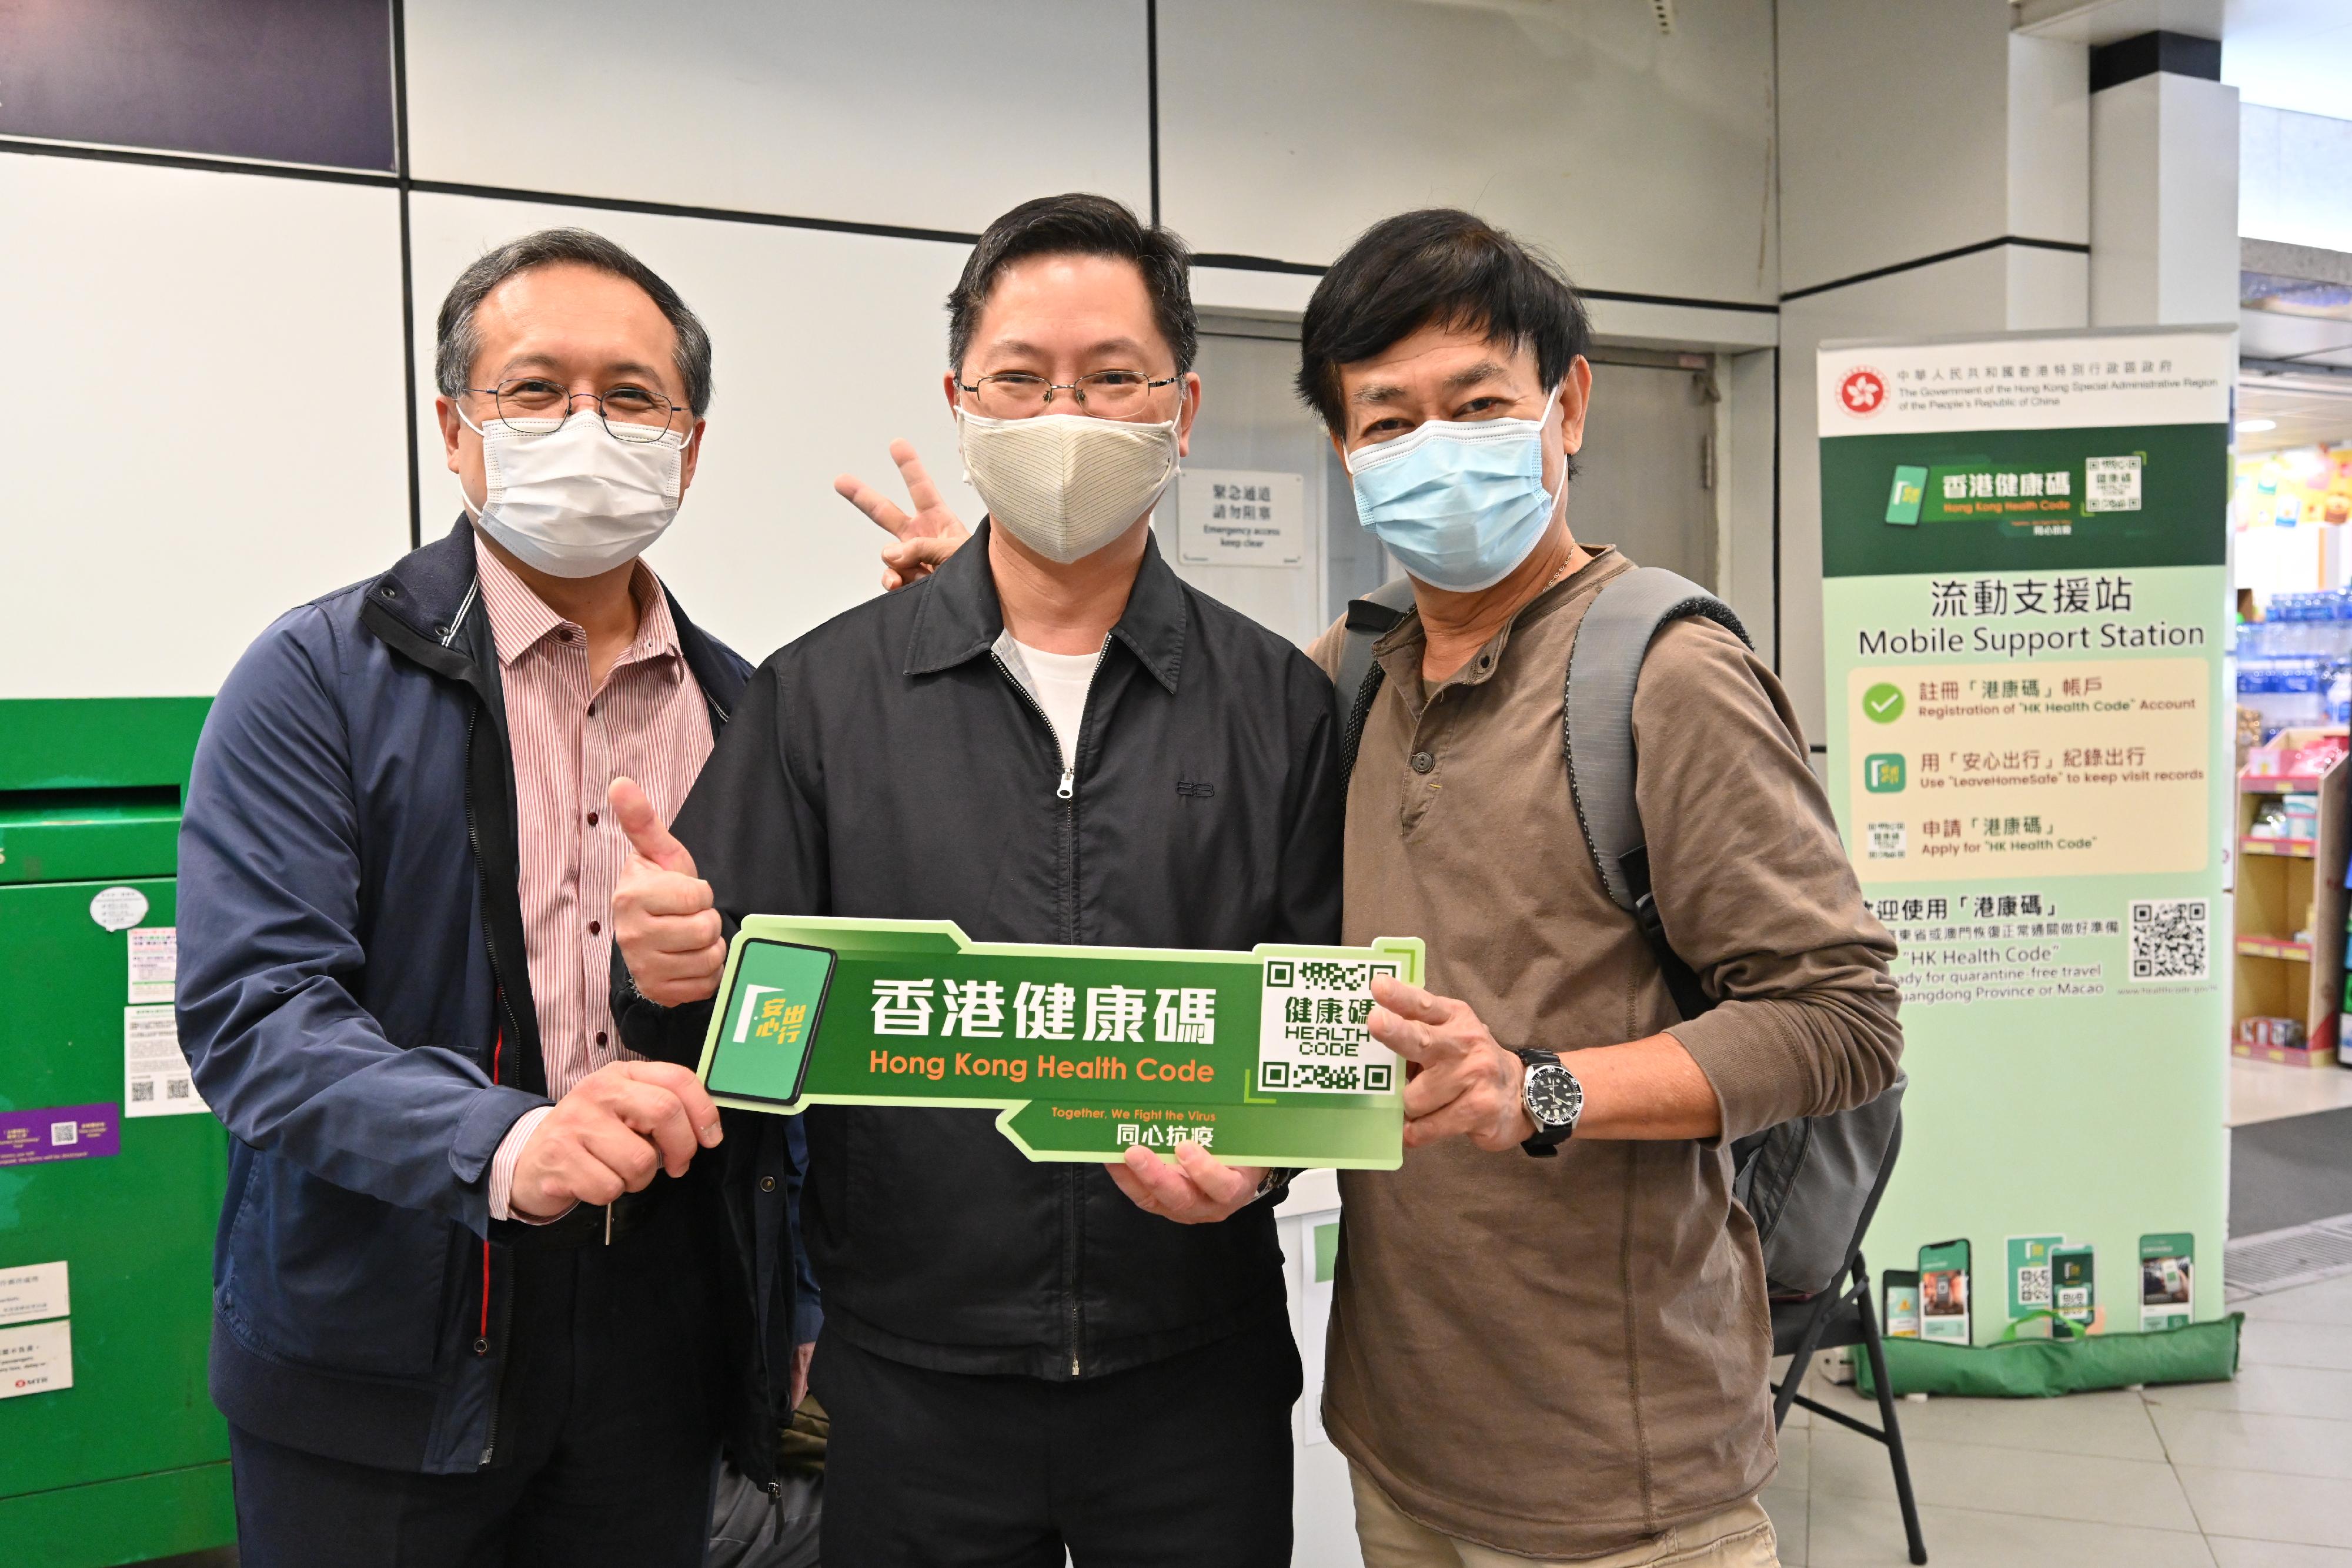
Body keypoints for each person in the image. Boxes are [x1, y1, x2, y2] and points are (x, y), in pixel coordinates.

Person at [872, 209, 1902, 1568]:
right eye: (1387, 419)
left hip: (1622, 1468)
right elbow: (1202, 776)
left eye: (1476, 404)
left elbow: (1841, 1017)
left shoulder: (1660, 670)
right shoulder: (1349, 681)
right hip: (1402, 1435)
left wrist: (1537, 1086)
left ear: (1566, 404)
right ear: (1345, 450)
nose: (1435, 448)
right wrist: (1002, 604)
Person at [611, 192, 1337, 1566]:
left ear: (1178, 410)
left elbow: (1322, 1015)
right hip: (910, 1382)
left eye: (1112, 375)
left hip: (1194, 1371)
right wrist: (664, 978)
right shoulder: (823, 699)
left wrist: (1258, 1159)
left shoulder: (1278, 708)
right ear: (961, 400)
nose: (1065, 410)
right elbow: (714, 1034)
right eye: (1020, 376)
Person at [176, 228, 814, 1568]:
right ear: (455, 431)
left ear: (689, 447)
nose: (586, 423)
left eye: (632, 396)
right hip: (380, 1332)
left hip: (658, 1328)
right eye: (535, 389)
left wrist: (792, 1293)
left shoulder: (747, 710)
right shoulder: (316, 680)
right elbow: (257, 1015)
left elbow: (784, 1044)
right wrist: (504, 1145)